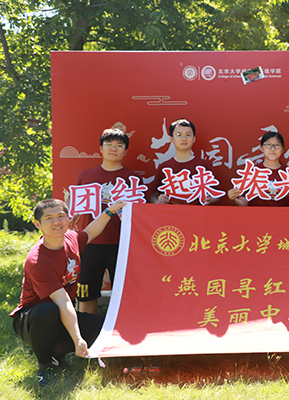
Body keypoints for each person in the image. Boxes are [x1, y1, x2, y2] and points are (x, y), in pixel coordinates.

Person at [10, 198, 125, 386]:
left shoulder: (70, 238)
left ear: (68, 218)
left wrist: (110, 211)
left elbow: (90, 232)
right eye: (49, 218)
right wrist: (78, 339)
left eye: (61, 216)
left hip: (62, 312)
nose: (56, 222)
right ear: (37, 224)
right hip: (33, 320)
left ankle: (57, 350)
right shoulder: (38, 261)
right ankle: (45, 367)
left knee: (106, 327)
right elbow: (62, 302)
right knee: (48, 310)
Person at [71, 128, 137, 314]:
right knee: (86, 293)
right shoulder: (85, 176)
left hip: (122, 244)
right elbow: (74, 204)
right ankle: (87, 328)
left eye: (119, 145)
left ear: (125, 150)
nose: (113, 149)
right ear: (101, 148)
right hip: (90, 242)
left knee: (125, 294)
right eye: (109, 144)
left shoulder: (133, 178)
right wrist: (71, 213)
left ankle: (121, 328)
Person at [227, 131, 289, 207]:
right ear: (261, 148)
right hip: (256, 217)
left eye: (277, 145)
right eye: (268, 145)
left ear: (282, 149)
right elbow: (243, 203)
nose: (272, 149)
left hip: (284, 218)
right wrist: (233, 200)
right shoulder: (252, 172)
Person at [149, 118, 222, 205]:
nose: (184, 138)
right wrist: (158, 201)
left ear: (194, 138)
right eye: (179, 135)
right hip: (171, 213)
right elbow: (153, 196)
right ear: (171, 139)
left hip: (198, 212)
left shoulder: (204, 165)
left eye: (188, 135)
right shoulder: (165, 167)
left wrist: (210, 200)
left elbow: (217, 195)